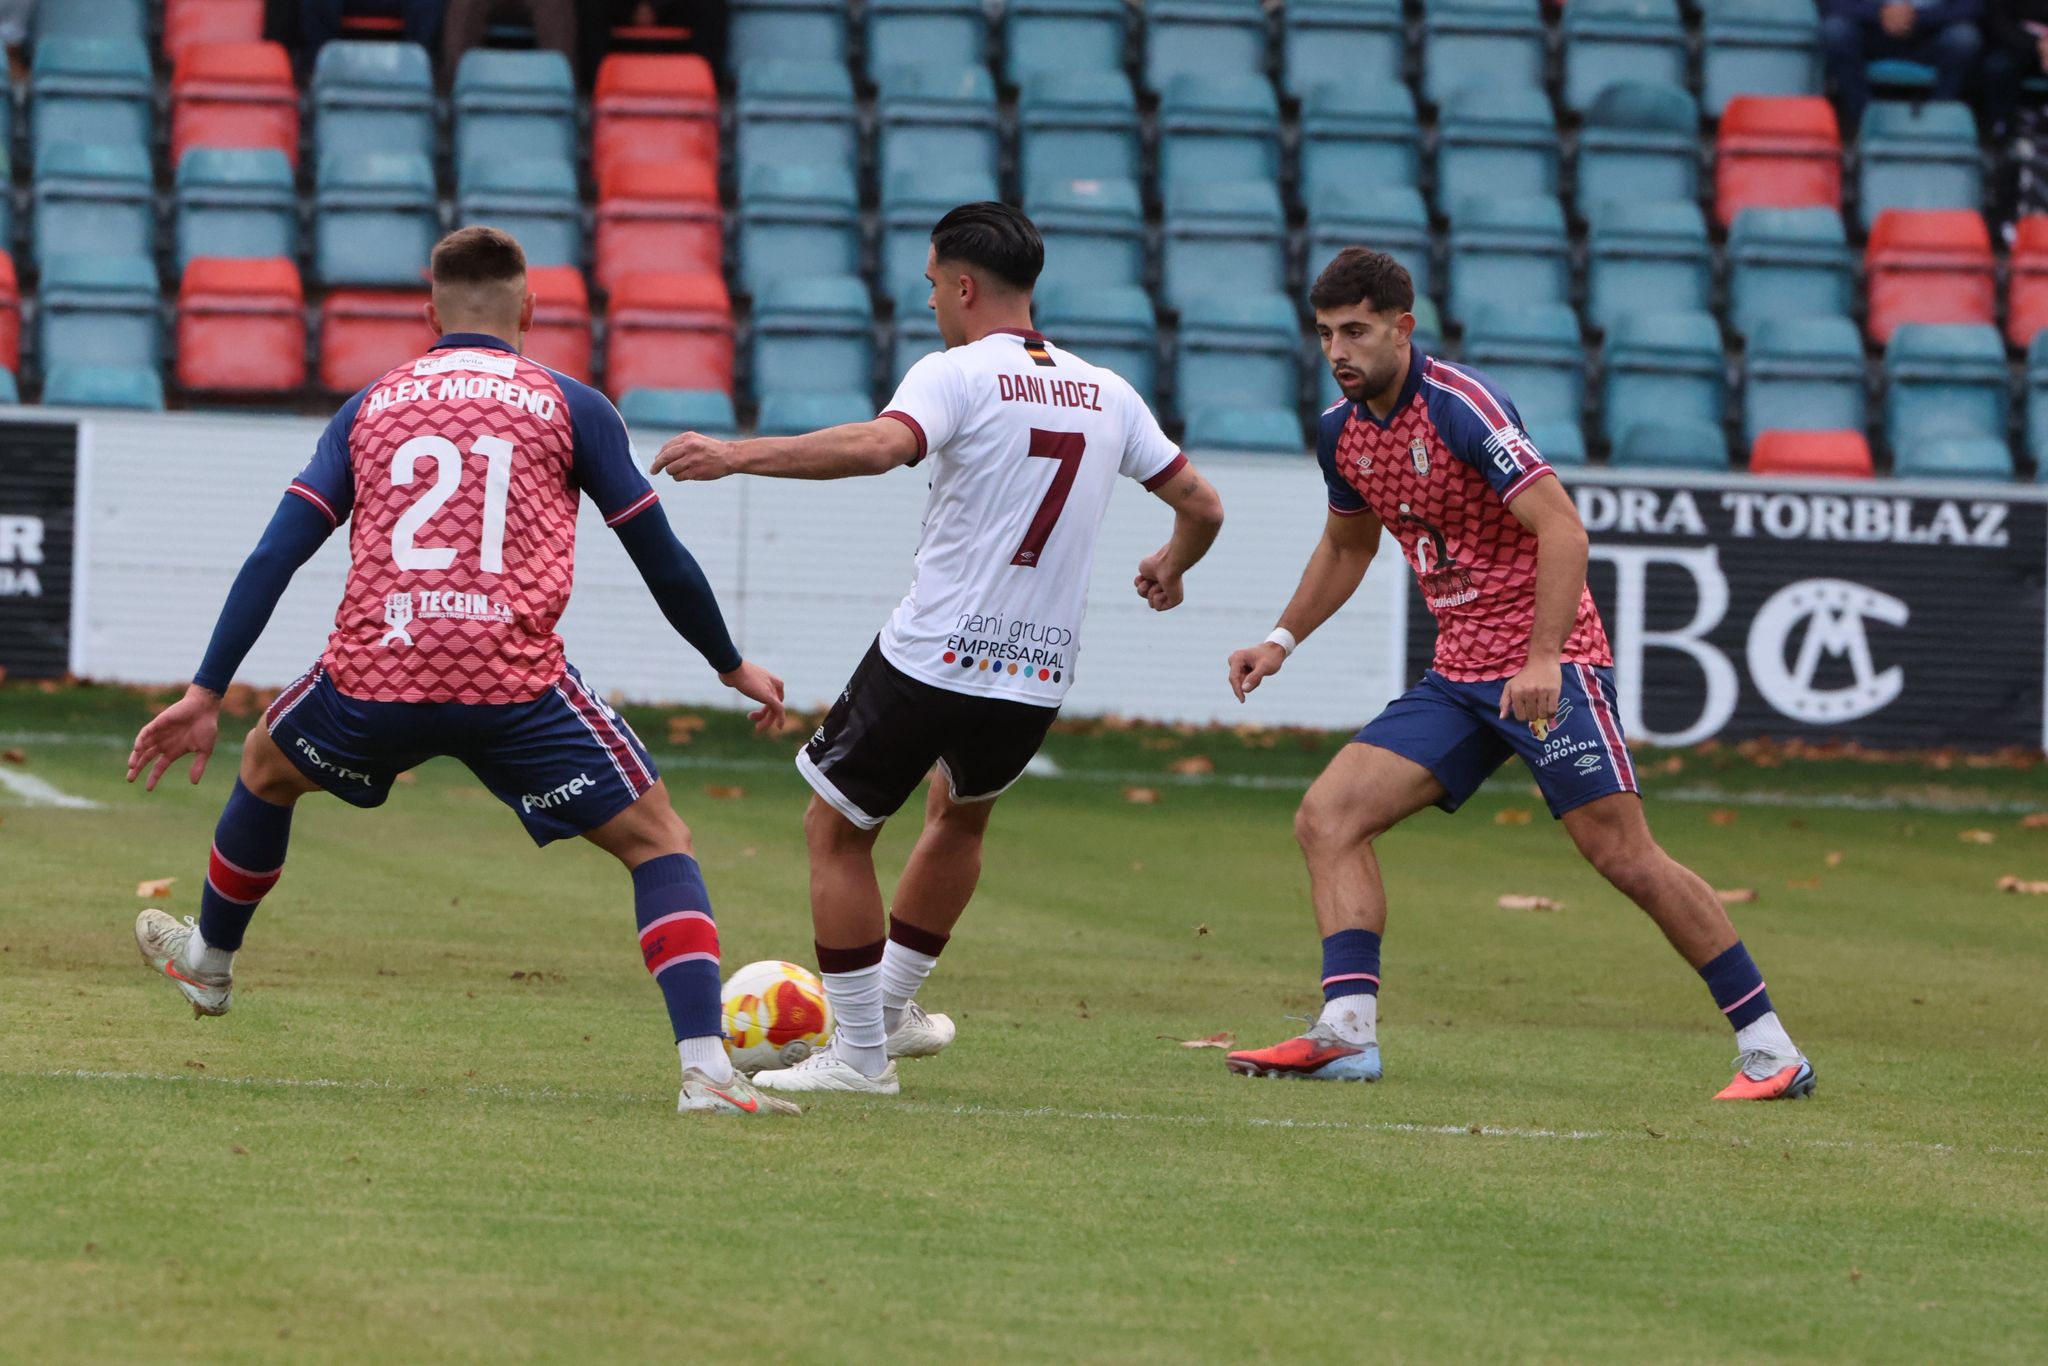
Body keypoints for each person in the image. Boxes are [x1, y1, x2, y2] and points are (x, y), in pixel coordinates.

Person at [127, 226, 799, 1119]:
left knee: (264, 765)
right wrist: (729, 664)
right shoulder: (573, 405)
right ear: (529, 309)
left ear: (429, 309)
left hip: (378, 675)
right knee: (659, 842)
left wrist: (205, 691)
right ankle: (708, 1072)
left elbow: (275, 554)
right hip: (513, 687)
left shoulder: (371, 406)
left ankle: (209, 963)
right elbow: (660, 557)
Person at [649, 203, 1226, 1096]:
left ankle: (860, 1059)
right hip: (1038, 666)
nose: (928, 304)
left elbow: (881, 447)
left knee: (835, 830)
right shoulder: (1110, 390)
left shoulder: (957, 374)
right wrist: (1172, 567)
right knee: (958, 816)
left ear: (963, 286)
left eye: (929, 286)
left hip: (935, 652)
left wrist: (735, 456)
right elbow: (1203, 505)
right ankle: (888, 1011)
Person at [1220, 248, 1815, 1102]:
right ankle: (1346, 1034)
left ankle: (1769, 1047)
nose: (1339, 350)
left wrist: (1544, 659)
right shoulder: (1340, 432)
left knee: (1622, 855)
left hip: (1550, 662)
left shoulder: (1463, 407)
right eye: (1325, 335)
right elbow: (1348, 545)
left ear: (1402, 328)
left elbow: (1564, 529)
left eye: (1355, 331)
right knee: (1329, 817)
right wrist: (1281, 638)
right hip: (1460, 674)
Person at [1820, 0, 1984, 129]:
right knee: (1835, 31)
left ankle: (1936, 121)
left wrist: (1918, 17)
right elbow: (1833, 4)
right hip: (1871, 33)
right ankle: (1866, 120)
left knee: (1964, 38)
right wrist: (1880, 13)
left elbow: (1971, 7)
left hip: (1930, 34)